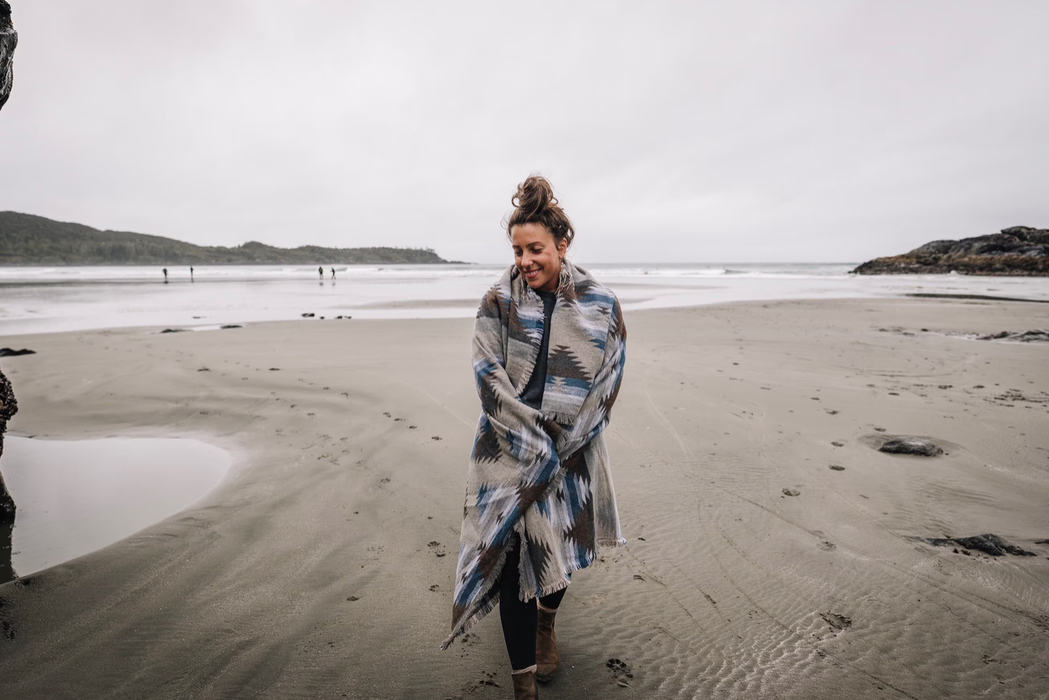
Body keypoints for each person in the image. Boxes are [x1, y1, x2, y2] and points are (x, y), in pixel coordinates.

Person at [443, 175, 627, 699]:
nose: (524, 260)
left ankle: (547, 622)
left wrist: (560, 449)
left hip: (572, 451)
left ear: (562, 245)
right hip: (508, 448)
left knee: (559, 551)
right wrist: (531, 445)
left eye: (535, 249)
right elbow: (487, 375)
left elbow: (607, 384)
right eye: (518, 250)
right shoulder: (497, 302)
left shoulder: (600, 304)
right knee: (511, 564)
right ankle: (523, 684)